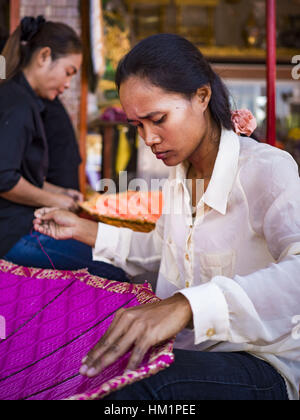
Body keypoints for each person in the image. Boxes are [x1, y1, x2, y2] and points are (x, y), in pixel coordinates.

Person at [33, 34, 300, 400]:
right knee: (82, 333)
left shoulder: (267, 170)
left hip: (262, 360)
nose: (148, 138)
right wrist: (85, 229)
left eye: (157, 119)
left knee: (135, 389)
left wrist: (189, 304)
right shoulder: (180, 177)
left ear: (202, 97)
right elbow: (162, 251)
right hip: (192, 349)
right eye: (138, 126)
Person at [0, 16, 129, 282]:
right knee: (111, 273)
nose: (69, 83)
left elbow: (20, 174)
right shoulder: (17, 103)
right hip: (10, 234)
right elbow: (4, 179)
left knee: (106, 257)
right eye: (69, 72)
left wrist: (61, 192)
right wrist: (54, 200)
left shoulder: (24, 100)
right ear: (44, 56)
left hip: (20, 226)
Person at [43, 96, 82, 191]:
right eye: (66, 79)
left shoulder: (50, 99)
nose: (67, 85)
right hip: (52, 180)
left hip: (63, 173)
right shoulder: (25, 101)